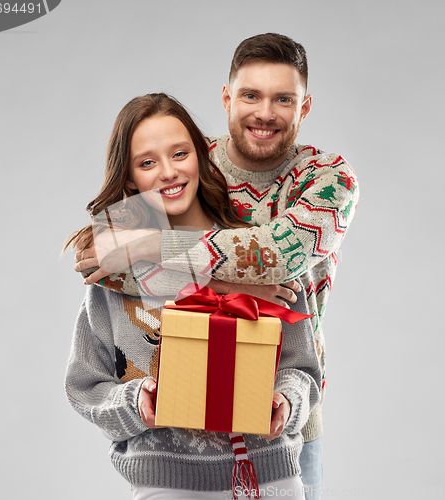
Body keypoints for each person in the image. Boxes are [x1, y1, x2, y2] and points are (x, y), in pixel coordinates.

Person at [74, 33, 359, 499]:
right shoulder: (187, 158)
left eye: (283, 98)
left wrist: (149, 242)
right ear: (227, 98)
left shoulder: (328, 180)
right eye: (251, 95)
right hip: (169, 452)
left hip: (284, 423)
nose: (264, 112)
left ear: (303, 108)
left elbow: (279, 257)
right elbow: (99, 255)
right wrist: (229, 283)